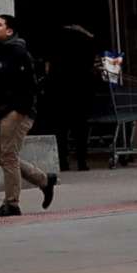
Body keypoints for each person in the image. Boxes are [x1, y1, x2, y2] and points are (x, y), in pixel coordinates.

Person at [0, 12, 57, 218]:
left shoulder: (18, 53)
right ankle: (44, 180)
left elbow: (29, 86)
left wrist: (18, 111)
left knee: (8, 157)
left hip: (15, 112)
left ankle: (12, 203)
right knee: (3, 158)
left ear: (9, 31)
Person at [42, 23, 101, 173]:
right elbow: (93, 62)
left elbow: (48, 68)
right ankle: (82, 161)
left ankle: (63, 161)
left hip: (59, 89)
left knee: (60, 128)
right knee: (80, 127)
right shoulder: (85, 41)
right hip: (80, 88)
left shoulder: (54, 42)